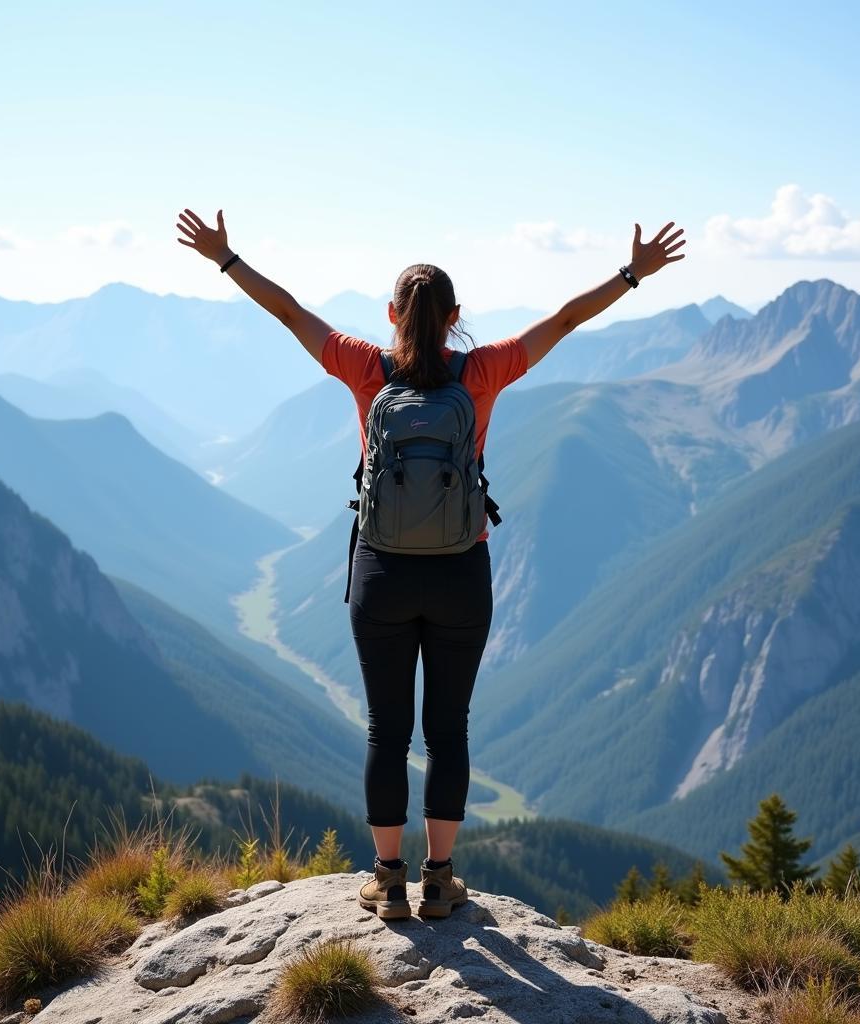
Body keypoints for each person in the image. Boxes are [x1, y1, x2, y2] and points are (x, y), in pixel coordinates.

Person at [176, 208, 686, 920]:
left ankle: (387, 880)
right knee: (449, 730)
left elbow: (290, 312)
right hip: (459, 573)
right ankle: (440, 879)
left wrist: (226, 260)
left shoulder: (364, 366)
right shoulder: (480, 370)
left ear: (391, 314)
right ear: (455, 317)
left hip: (380, 572)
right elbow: (566, 320)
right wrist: (633, 273)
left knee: (388, 730)